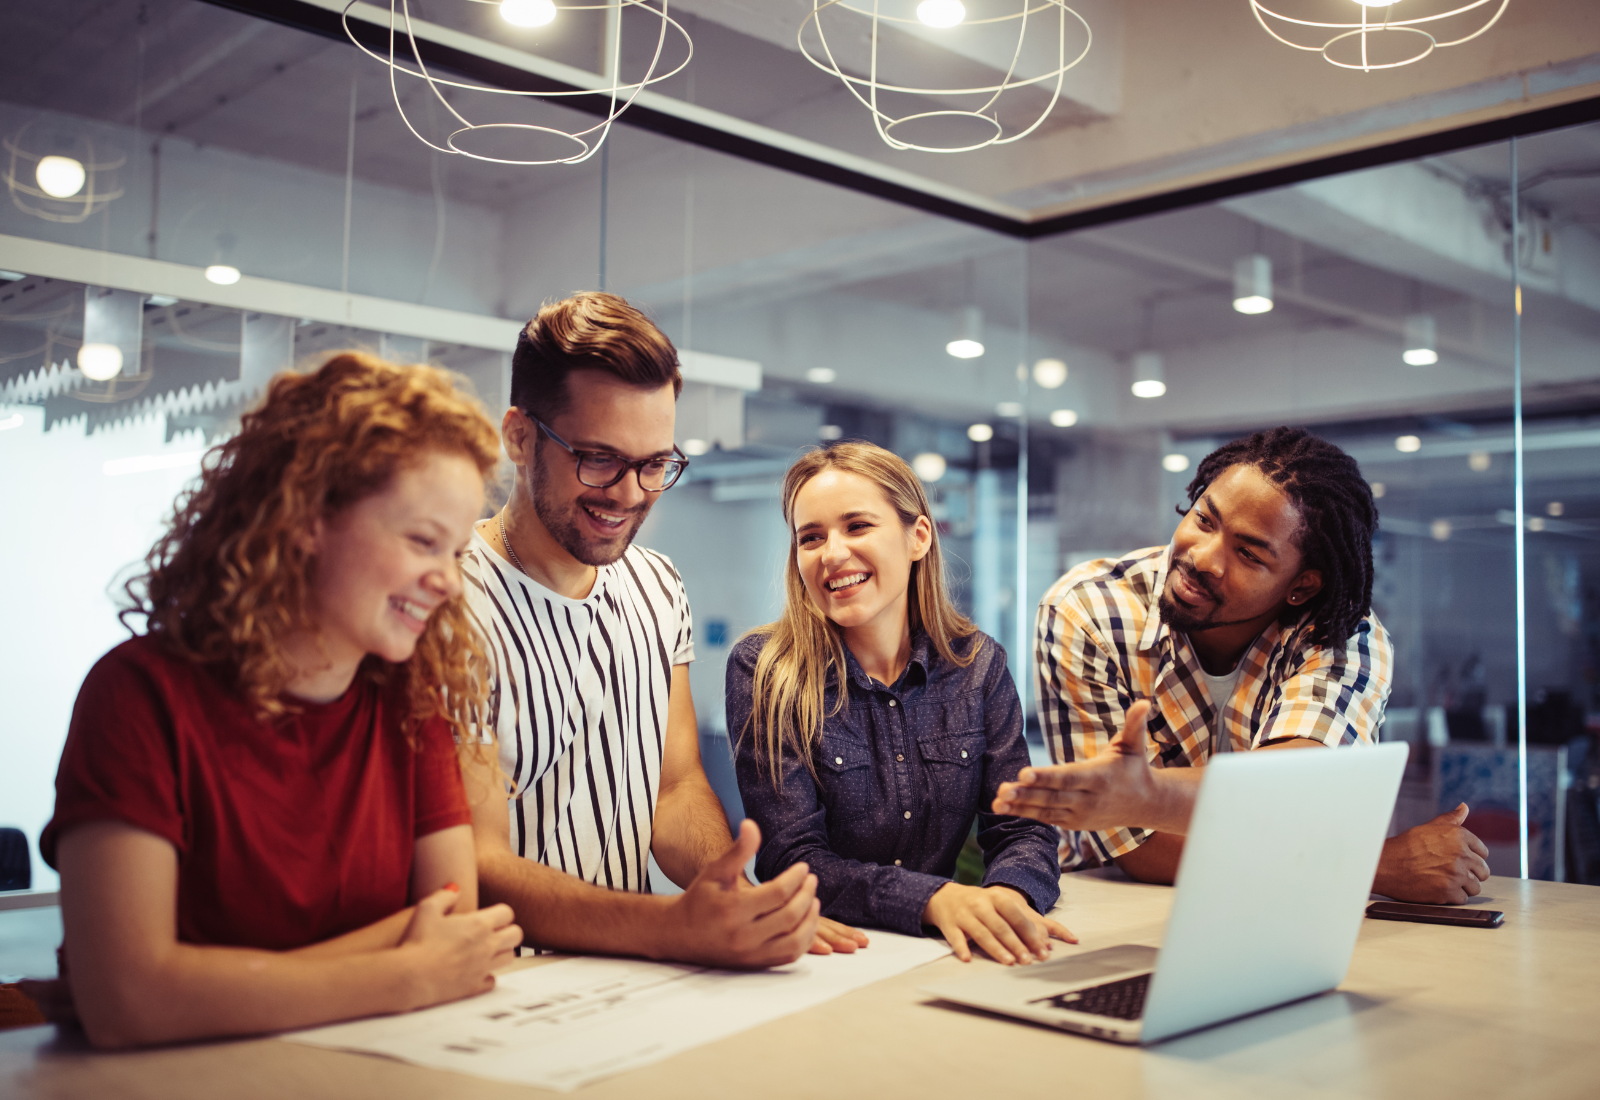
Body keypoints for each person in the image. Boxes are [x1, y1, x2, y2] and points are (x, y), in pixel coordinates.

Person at [35, 353, 522, 1048]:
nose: (446, 581)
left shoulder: (410, 704)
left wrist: (189, 989)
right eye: (422, 541)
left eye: (454, 553)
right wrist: (405, 974)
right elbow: (129, 1004)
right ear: (306, 516)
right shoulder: (138, 695)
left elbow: (453, 923)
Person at [461, 292, 828, 968]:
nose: (630, 493)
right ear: (518, 436)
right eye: (598, 458)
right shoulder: (447, 601)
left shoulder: (657, 585)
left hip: (629, 983)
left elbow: (675, 788)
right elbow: (474, 862)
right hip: (499, 986)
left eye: (655, 463)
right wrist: (667, 927)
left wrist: (738, 900)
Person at [994, 427, 1492, 905]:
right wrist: (1373, 867)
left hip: (1295, 914)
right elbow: (1138, 849)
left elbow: (1300, 789)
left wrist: (1142, 795)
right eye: (1204, 520)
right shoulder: (1088, 612)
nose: (1204, 558)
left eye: (1249, 553)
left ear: (1303, 586)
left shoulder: (1340, 635)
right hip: (1122, 911)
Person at [727, 443, 1076, 966]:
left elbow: (1022, 825)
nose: (832, 554)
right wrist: (933, 899)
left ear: (918, 537)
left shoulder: (977, 665)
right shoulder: (766, 670)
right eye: (811, 538)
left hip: (945, 953)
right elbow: (790, 860)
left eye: (857, 526)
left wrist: (1009, 897)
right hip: (825, 959)